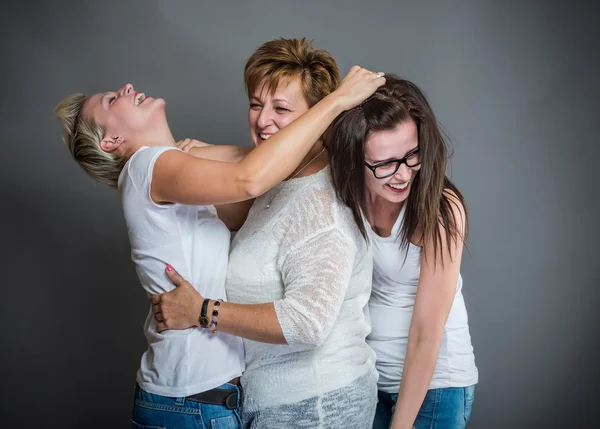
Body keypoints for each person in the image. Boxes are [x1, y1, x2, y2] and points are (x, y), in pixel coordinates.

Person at [53, 58, 383, 428]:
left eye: (281, 107)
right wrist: (336, 102)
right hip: (190, 399)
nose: (127, 88)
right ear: (112, 141)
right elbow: (250, 179)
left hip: (209, 397)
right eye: (113, 100)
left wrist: (202, 150)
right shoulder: (149, 165)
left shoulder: (173, 171)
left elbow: (275, 163)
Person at [152, 38, 384, 428]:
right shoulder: (275, 182)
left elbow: (306, 324)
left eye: (281, 108)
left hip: (316, 407)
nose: (262, 120)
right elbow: (245, 164)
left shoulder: (321, 207)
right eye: (256, 104)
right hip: (273, 402)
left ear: (318, 117)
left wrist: (201, 311)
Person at [327, 75, 478, 429]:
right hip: (370, 380)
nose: (403, 174)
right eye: (385, 164)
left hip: (437, 386)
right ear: (354, 159)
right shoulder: (348, 193)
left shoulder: (441, 208)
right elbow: (287, 150)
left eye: (412, 155)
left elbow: (427, 333)